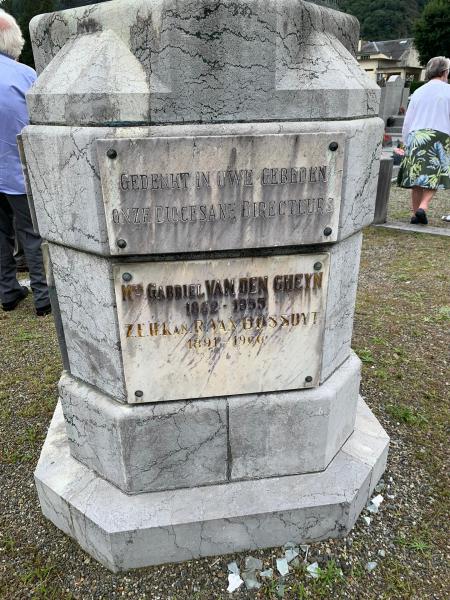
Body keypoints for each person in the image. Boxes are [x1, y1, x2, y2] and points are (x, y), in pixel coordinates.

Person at [0, 9, 51, 315]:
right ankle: (43, 298)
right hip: (18, 170)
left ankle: (7, 292)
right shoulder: (26, 75)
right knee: (32, 233)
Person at [397, 56, 450, 225]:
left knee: (417, 175)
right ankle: (423, 207)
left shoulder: (418, 92)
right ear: (444, 72)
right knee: (433, 174)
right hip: (439, 134)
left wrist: (404, 141)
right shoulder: (448, 91)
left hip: (415, 135)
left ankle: (415, 214)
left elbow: (408, 119)